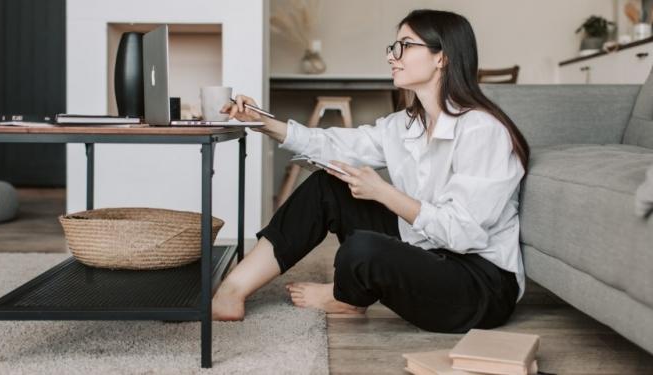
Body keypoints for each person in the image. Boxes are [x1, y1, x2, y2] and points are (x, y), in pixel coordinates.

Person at [213, 9, 530, 334]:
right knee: (328, 184)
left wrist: (384, 193)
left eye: (405, 46)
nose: (393, 56)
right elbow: (332, 145)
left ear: (442, 58)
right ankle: (233, 289)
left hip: (479, 283)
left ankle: (345, 297)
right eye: (393, 47)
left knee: (362, 250)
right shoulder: (406, 124)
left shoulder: (482, 131)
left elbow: (463, 234)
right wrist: (264, 123)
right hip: (428, 250)